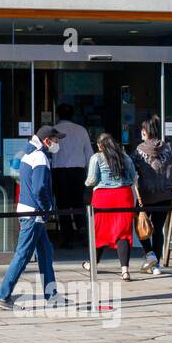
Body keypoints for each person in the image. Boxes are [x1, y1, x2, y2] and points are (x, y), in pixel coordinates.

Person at [0, 126, 64, 310]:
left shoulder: (29, 154)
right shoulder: (40, 157)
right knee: (22, 255)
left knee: (45, 252)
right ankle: (3, 296)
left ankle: (52, 295)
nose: (58, 144)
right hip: (35, 214)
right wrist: (47, 207)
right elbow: (40, 188)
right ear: (47, 141)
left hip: (29, 211)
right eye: (56, 140)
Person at [82, 133, 139, 281]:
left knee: (100, 231)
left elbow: (92, 180)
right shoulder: (125, 157)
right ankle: (125, 270)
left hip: (103, 197)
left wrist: (86, 184)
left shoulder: (97, 157)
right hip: (124, 196)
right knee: (123, 233)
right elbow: (134, 177)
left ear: (100, 145)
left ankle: (93, 263)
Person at [134, 115, 172, 275]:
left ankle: (150, 254)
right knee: (158, 229)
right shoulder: (167, 148)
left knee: (139, 225)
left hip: (145, 196)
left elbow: (132, 170)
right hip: (165, 195)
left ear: (146, 131)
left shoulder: (140, 150)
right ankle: (156, 264)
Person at [50, 103, 93, 249]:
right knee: (78, 204)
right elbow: (89, 155)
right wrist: (91, 175)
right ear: (73, 115)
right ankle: (82, 234)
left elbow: (50, 153)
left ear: (58, 115)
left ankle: (67, 238)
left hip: (59, 172)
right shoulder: (81, 130)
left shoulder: (54, 130)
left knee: (62, 206)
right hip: (78, 172)